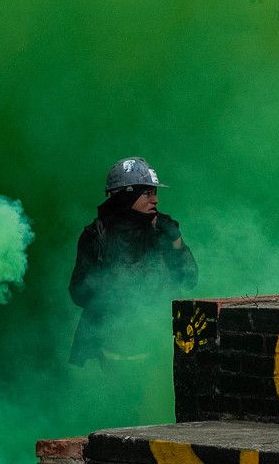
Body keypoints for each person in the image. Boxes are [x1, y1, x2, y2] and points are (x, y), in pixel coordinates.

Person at [69, 157, 197, 366]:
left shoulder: (162, 230)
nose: (155, 200)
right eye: (147, 193)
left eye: (155, 193)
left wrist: (176, 240)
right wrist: (108, 283)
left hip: (159, 348)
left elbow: (189, 279)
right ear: (125, 196)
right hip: (111, 351)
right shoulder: (97, 235)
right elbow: (78, 293)